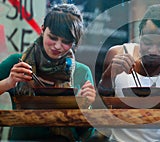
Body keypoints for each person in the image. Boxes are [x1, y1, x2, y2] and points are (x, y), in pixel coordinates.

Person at [97, 4, 160, 141]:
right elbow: (100, 106)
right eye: (147, 42)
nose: (153, 51)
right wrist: (108, 74)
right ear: (140, 34)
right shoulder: (118, 53)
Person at [0, 4, 96, 141]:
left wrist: (85, 107)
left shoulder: (82, 72)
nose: (57, 46)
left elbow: (87, 134)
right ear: (43, 29)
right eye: (53, 37)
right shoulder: (18, 62)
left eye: (66, 41)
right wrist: (8, 82)